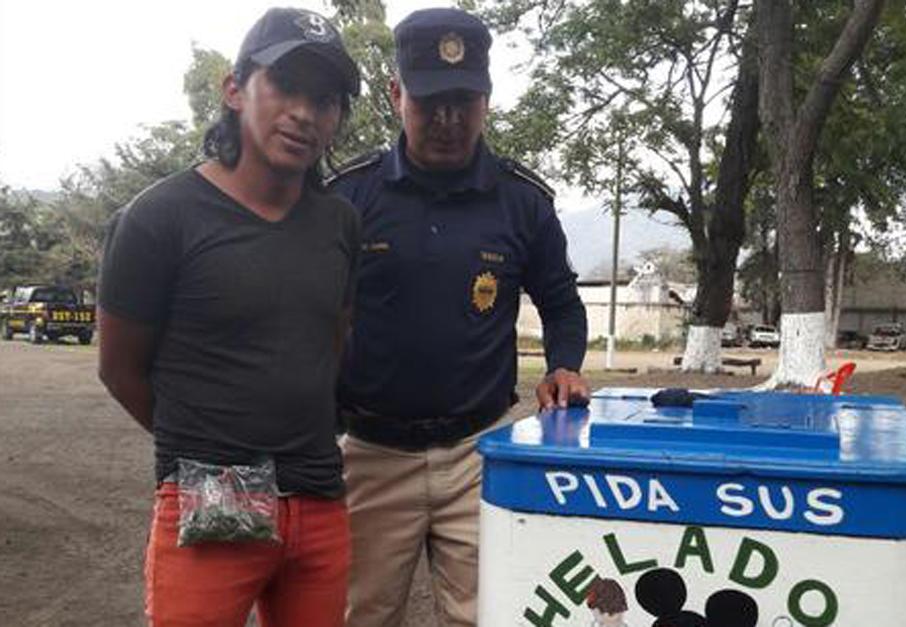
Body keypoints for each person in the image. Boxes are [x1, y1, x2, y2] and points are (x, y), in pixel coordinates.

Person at [97, 8, 360, 626]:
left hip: (321, 500)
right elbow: (119, 369)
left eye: (325, 99)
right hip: (211, 497)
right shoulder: (159, 218)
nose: (304, 112)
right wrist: (203, 446)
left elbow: (332, 342)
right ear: (235, 88)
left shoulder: (340, 224)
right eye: (286, 85)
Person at [327, 7, 590, 626]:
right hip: (368, 453)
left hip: (479, 453)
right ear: (397, 96)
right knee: (357, 617)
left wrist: (565, 365)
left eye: (462, 103)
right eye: (430, 103)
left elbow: (560, 301)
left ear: (487, 101)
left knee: (489, 616)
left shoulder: (523, 201)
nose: (447, 121)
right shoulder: (348, 196)